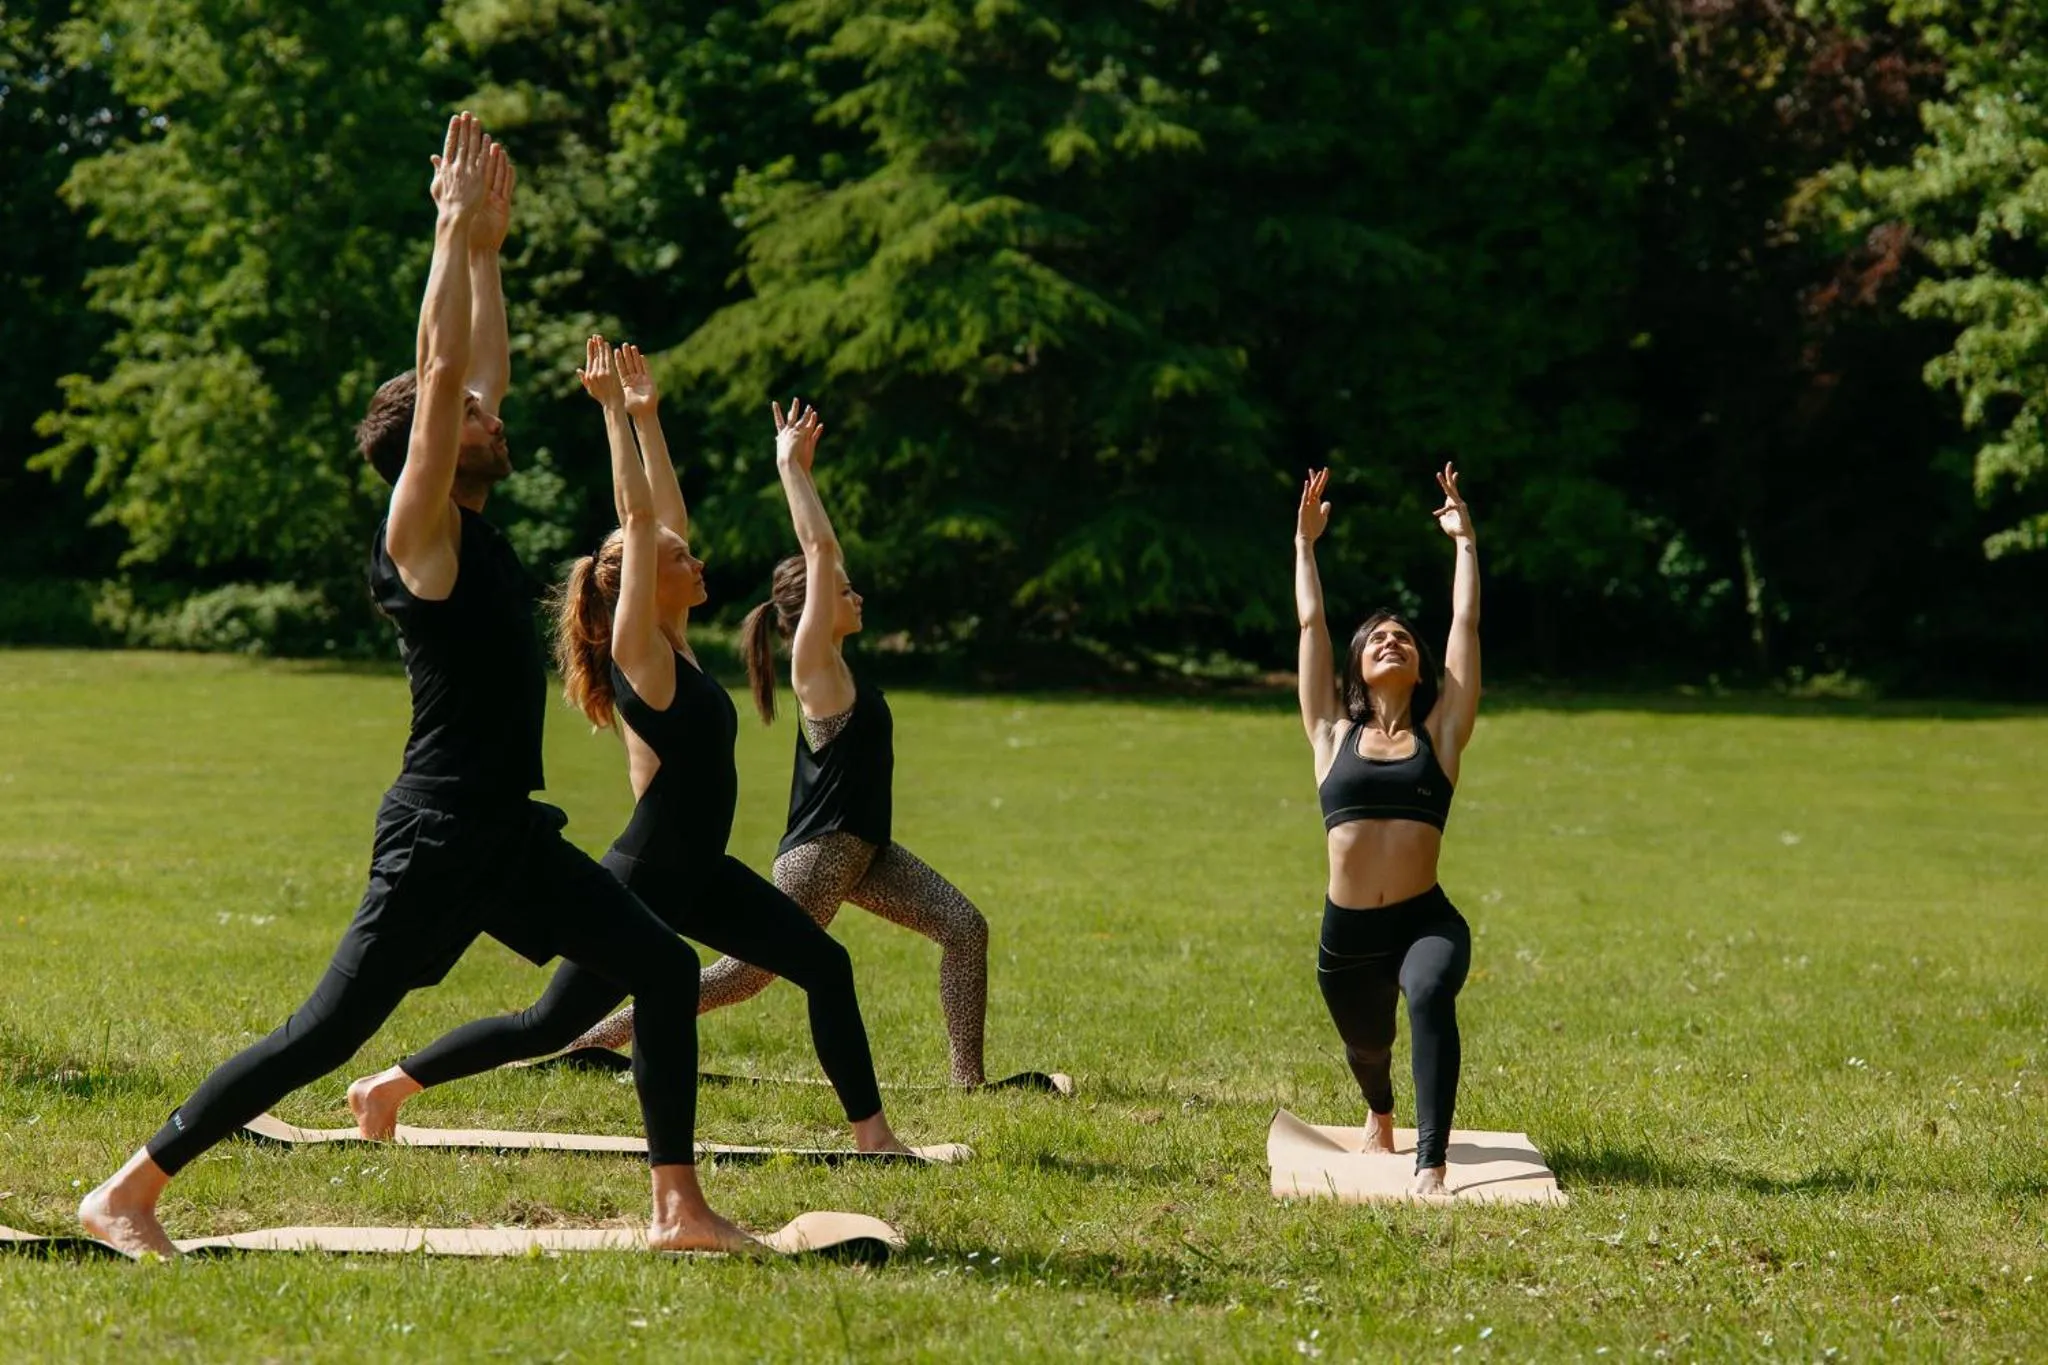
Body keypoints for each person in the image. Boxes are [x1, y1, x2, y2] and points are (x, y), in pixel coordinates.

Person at [78, 115, 753, 1256]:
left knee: (660, 966)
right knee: (325, 1034)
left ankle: (677, 1208)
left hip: (504, 834)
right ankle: (128, 1191)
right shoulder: (419, 540)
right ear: (429, 451)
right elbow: (444, 371)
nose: (495, 413)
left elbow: (468, 364)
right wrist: (447, 235)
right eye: (474, 421)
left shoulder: (471, 525)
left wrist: (487, 255)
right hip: (437, 836)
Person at [348, 342, 912, 1155]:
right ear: (642, 581)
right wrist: (615, 415)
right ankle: (389, 1083)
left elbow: (662, 517)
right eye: (677, 558)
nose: (694, 554)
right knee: (547, 1023)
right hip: (647, 878)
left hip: (700, 872)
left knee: (825, 964)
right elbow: (644, 522)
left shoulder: (674, 640)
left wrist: (649, 418)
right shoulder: (637, 652)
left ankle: (874, 1136)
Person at [562, 400, 991, 1089]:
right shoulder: (814, 658)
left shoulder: (840, 664)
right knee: (739, 978)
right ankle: (594, 1035)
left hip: (866, 848)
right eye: (843, 592)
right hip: (820, 854)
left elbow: (675, 525)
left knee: (964, 926)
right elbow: (821, 551)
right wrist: (791, 467)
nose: (856, 597)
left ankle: (968, 1080)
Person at [1293, 463, 1481, 1195]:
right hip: (1347, 936)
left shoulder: (1444, 734)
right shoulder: (1328, 734)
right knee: (1366, 1044)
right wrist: (1306, 546)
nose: (1392, 640)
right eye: (1378, 638)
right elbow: (1312, 623)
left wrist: (1464, 542)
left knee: (1430, 991)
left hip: (1425, 920)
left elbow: (1465, 624)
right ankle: (1379, 1109)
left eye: (1403, 636)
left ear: (1418, 663)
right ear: (1359, 666)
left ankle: (1431, 1162)